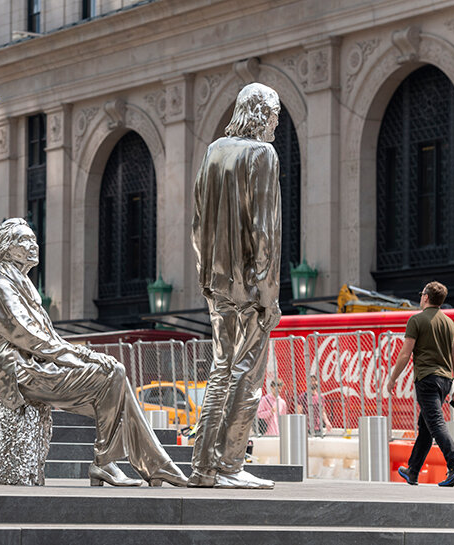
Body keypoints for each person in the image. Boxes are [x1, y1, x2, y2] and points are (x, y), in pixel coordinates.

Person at [0, 218, 188, 488]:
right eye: (25, 240)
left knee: (115, 379)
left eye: (34, 239)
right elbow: (34, 340)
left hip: (39, 368)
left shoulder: (22, 285)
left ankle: (144, 465)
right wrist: (88, 357)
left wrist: (87, 358)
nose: (34, 245)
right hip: (21, 376)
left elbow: (48, 340)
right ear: (7, 248)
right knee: (112, 376)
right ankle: (122, 464)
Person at [189, 82, 282, 489]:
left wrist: (206, 275)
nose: (277, 121)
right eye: (274, 113)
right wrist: (267, 293)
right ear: (260, 114)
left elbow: (197, 224)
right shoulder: (262, 154)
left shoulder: (213, 152)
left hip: (216, 284)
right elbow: (265, 230)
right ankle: (229, 465)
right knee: (248, 374)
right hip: (249, 287)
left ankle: (202, 466)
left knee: (220, 369)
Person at [386, 281, 454, 487]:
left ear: (426, 297)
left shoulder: (416, 320)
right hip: (445, 382)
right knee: (426, 426)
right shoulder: (450, 324)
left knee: (436, 424)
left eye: (422, 293)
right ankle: (413, 471)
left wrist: (392, 378)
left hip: (427, 380)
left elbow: (405, 353)